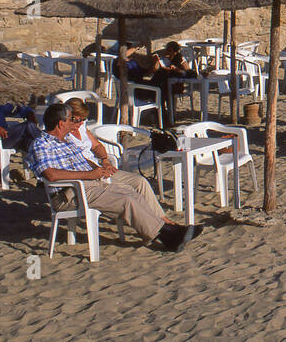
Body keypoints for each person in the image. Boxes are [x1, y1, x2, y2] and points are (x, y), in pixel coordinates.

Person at [25, 103, 199, 252]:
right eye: (71, 119)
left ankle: (164, 230)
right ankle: (168, 236)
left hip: (90, 183)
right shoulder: (42, 144)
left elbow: (84, 160)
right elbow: (51, 174)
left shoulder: (66, 140)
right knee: (126, 199)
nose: (74, 123)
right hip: (69, 193)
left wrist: (100, 168)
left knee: (133, 191)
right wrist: (90, 175)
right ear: (60, 123)